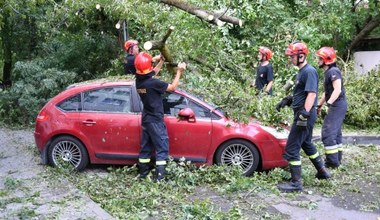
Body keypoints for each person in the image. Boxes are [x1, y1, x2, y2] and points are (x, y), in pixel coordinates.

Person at [276, 41, 331, 193]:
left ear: (301, 56)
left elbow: (312, 94)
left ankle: (296, 183)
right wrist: (288, 100)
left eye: (292, 56)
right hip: (302, 111)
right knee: (307, 143)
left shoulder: (309, 71)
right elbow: (302, 94)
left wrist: (304, 114)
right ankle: (323, 171)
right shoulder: (301, 72)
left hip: (305, 113)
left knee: (292, 147)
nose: (290, 58)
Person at [134, 51, 186, 182]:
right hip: (155, 120)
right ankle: (160, 178)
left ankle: (143, 174)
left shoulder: (139, 81)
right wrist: (179, 71)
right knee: (162, 147)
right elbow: (173, 88)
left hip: (146, 118)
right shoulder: (153, 84)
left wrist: (161, 61)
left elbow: (152, 74)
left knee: (145, 147)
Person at [316, 47, 347, 168]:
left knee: (328, 133)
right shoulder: (328, 72)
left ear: (326, 59)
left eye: (320, 58)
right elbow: (327, 92)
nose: (318, 60)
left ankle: (332, 162)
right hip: (337, 104)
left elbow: (337, 90)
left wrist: (329, 104)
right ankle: (337, 160)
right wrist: (319, 105)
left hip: (338, 104)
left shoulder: (333, 71)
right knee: (336, 133)